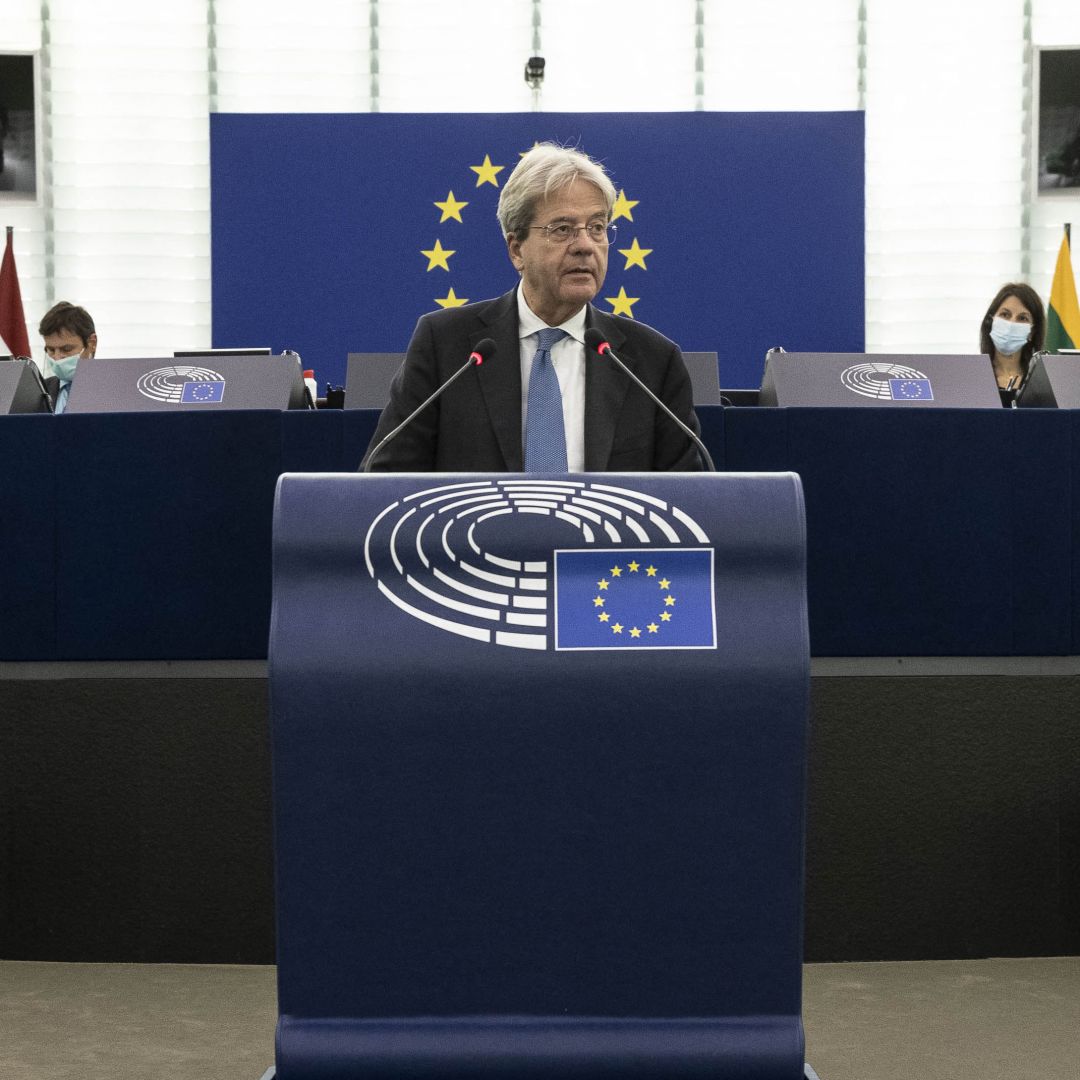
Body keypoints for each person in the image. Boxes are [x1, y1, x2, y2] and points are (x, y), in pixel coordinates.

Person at [361, 143, 702, 472]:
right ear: (516, 250)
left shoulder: (653, 362)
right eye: (563, 229)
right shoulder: (445, 346)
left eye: (597, 228)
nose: (585, 246)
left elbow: (691, 502)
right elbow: (384, 478)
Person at [979, 282, 1045, 407]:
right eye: (1005, 314)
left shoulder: (1041, 385)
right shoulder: (971, 376)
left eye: (1022, 318)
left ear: (1032, 332)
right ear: (991, 321)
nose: (1011, 324)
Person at [39, 301, 97, 414]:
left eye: (66, 349)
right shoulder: (38, 393)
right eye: (51, 350)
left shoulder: (114, 389)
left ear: (91, 343)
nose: (57, 358)